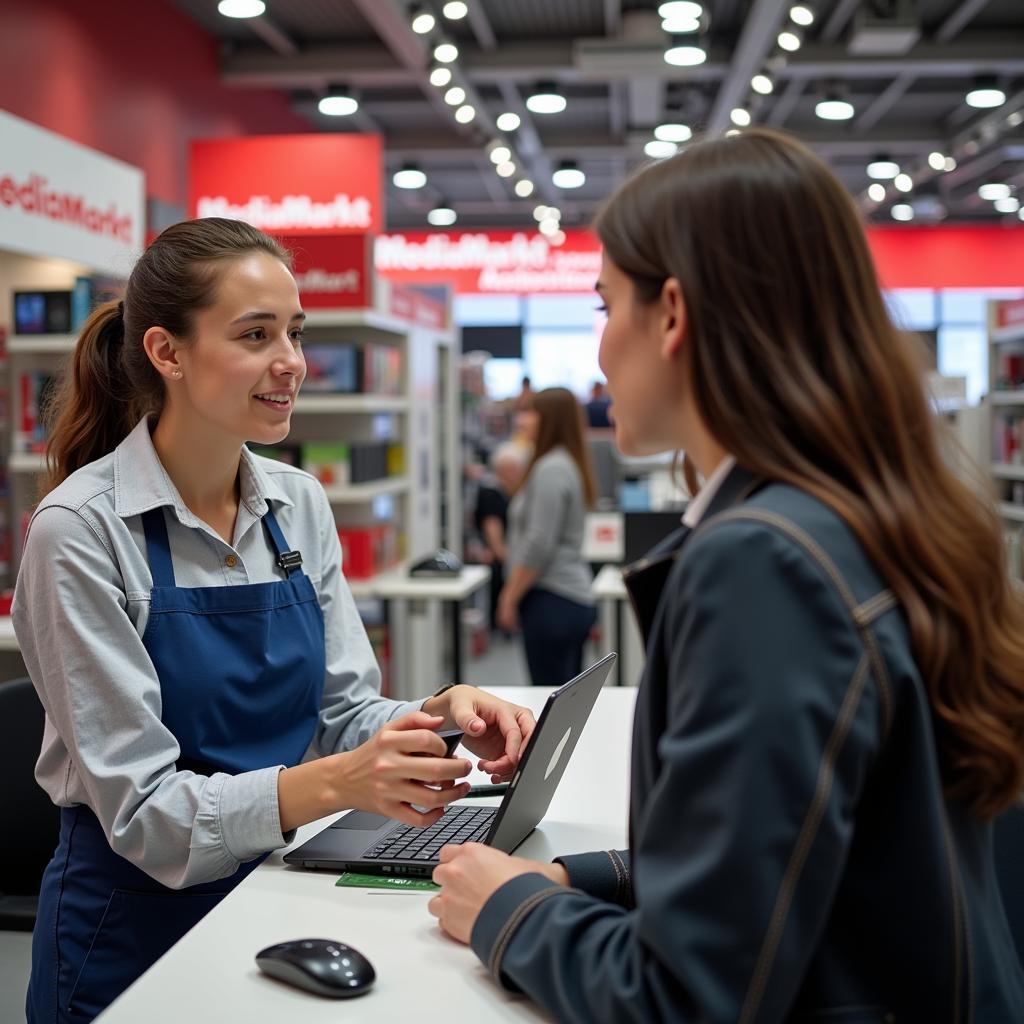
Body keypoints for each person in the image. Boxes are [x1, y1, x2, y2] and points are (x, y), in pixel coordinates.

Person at [427, 129, 1024, 1020]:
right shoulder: (879, 518)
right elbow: (826, 854)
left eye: (604, 306)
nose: (598, 353)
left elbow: (690, 998)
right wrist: (581, 878)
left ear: (672, 314)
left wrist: (507, 911)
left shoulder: (763, 564)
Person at [14, 217, 536, 1024]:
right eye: (255, 335)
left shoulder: (298, 503)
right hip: (130, 930)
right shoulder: (81, 532)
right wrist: (335, 782)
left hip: (274, 888)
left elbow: (345, 711)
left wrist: (440, 717)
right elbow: (147, 815)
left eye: (295, 331)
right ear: (167, 352)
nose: (290, 362)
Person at [498, 387, 598, 686]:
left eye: (530, 413)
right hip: (567, 598)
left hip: (552, 598)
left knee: (548, 700)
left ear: (549, 420)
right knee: (565, 700)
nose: (521, 421)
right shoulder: (564, 463)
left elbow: (539, 543)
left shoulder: (551, 468)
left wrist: (509, 596)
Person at [473, 441, 528, 632]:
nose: (518, 473)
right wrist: (507, 557)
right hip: (500, 557)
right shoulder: (491, 493)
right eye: (514, 469)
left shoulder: (514, 492)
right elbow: (492, 529)